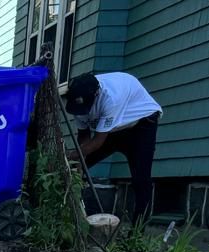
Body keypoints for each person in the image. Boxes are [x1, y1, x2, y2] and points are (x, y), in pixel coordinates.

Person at [65, 71, 162, 224]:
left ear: (96, 95)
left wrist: (71, 155)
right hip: (112, 129)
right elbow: (84, 135)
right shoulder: (78, 99)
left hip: (141, 124)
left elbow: (97, 141)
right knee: (74, 168)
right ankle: (71, 219)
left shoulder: (111, 99)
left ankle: (137, 232)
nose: (81, 113)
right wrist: (78, 161)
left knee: (141, 179)